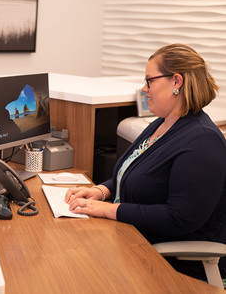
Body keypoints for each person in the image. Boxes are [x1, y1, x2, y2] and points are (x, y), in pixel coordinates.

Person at [65, 43, 226, 282]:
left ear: (176, 82)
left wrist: (110, 209)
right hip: (133, 238)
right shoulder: (162, 124)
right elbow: (134, 170)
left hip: (175, 265)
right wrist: (101, 190)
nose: (144, 89)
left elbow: (180, 218)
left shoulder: (202, 141)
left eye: (149, 81)